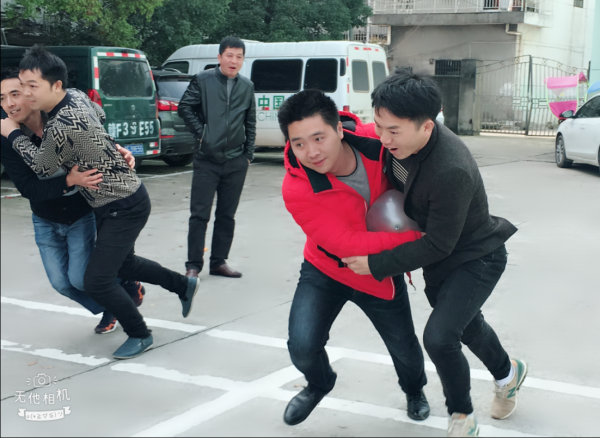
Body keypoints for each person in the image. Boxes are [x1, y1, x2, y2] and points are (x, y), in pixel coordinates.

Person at [342, 69, 527, 437]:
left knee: (440, 337)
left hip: (476, 256)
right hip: (443, 257)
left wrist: (377, 264)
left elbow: (439, 244)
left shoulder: (449, 169)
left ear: (426, 126)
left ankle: (462, 417)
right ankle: (509, 374)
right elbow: (366, 141)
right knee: (467, 326)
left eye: (393, 131)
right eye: (379, 126)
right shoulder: (399, 142)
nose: (384, 138)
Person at [0, 46, 200, 360]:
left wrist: (12, 133)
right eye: (21, 87)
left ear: (56, 85)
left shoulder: (60, 125)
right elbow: (100, 116)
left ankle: (140, 333)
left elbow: (41, 166)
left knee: (96, 281)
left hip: (123, 205)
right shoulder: (76, 96)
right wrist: (105, 148)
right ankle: (182, 285)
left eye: (31, 87)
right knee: (124, 265)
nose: (24, 94)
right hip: (114, 202)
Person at [278, 89, 430, 427]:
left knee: (404, 347)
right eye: (299, 144)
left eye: (318, 138)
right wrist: (417, 240)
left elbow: (423, 139)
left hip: (379, 271)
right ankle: (319, 383)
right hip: (325, 270)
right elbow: (346, 244)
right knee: (302, 346)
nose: (311, 152)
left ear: (338, 128)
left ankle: (414, 390)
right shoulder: (297, 187)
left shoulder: (376, 142)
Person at [1, 68, 145, 334]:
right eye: (2, 98)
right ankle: (113, 304)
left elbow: (95, 130)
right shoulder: (7, 136)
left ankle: (120, 293)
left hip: (80, 213)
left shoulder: (57, 115)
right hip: (45, 218)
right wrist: (68, 180)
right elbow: (28, 187)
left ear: (32, 92)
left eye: (15, 94)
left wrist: (117, 150)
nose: (9, 104)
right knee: (61, 283)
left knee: (80, 279)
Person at [178, 36, 256, 279]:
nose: (234, 61)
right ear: (219, 57)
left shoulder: (247, 86)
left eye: (239, 57)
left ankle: (219, 262)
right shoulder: (203, 80)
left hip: (236, 160)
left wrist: (248, 154)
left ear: (243, 60)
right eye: (229, 55)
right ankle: (193, 265)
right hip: (207, 159)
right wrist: (203, 134)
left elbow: (250, 122)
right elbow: (184, 107)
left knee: (226, 215)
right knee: (199, 215)